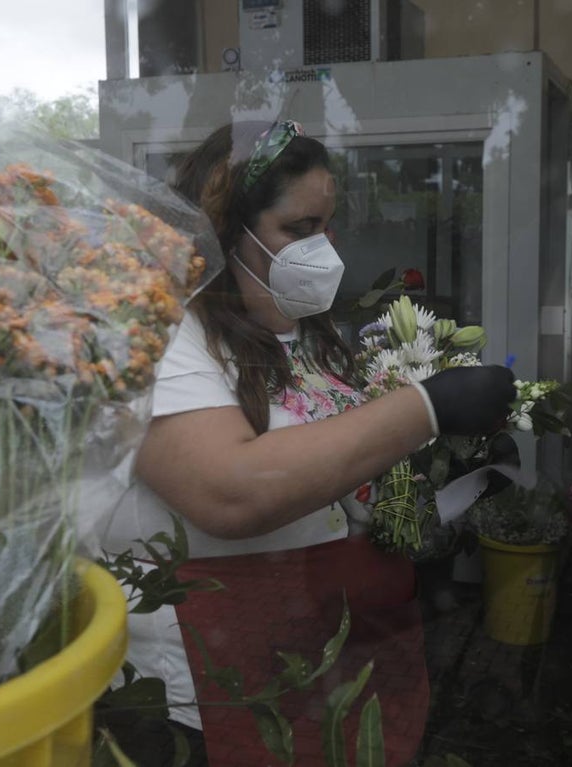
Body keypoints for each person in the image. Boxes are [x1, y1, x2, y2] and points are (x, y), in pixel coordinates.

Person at [99, 120, 518, 766]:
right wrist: (427, 408)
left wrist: (415, 495)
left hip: (315, 667)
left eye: (327, 225)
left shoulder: (310, 335)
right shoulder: (158, 337)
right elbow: (228, 490)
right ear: (221, 232)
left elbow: (336, 462)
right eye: (298, 229)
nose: (324, 248)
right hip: (205, 694)